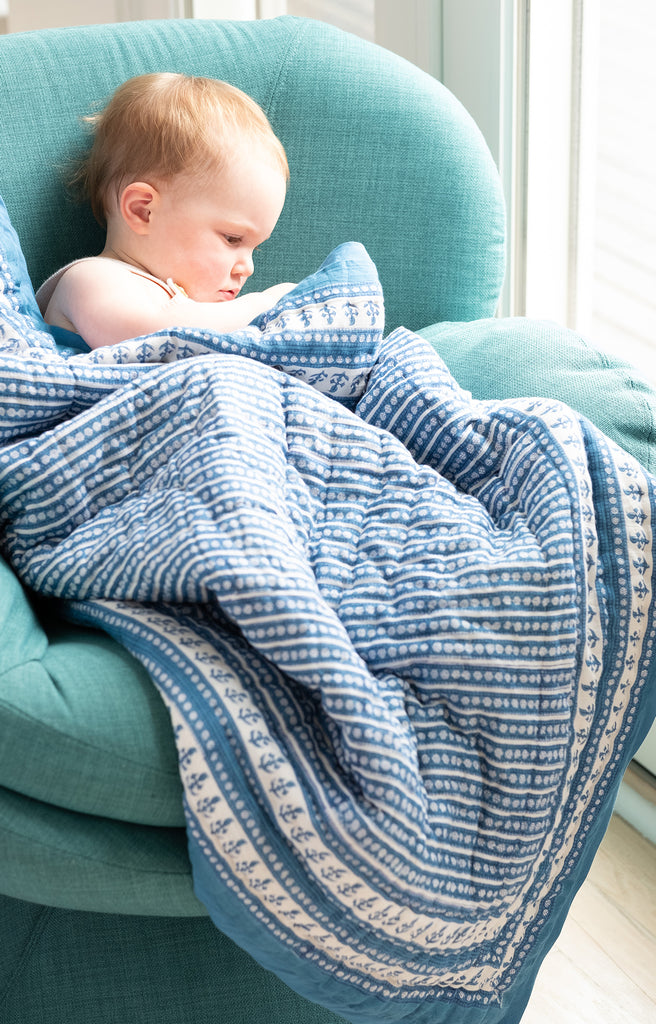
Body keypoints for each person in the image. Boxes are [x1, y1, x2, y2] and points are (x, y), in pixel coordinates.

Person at [37, 72, 295, 350]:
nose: (248, 268)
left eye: (254, 249)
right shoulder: (90, 279)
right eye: (232, 239)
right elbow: (164, 339)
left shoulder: (191, 305)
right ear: (143, 211)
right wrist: (267, 305)